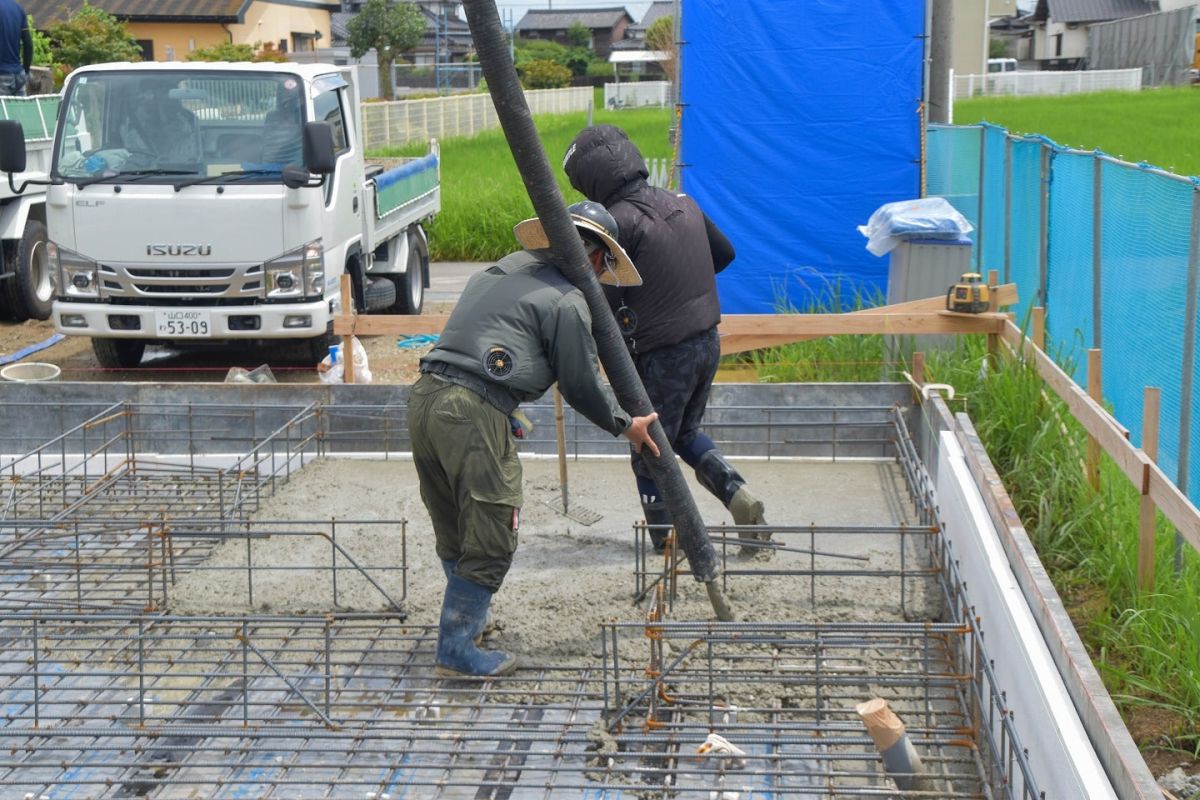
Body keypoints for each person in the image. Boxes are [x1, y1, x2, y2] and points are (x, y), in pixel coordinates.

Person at [409, 201, 660, 678]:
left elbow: (475, 350)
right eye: (605, 265)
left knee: (455, 524)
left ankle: (469, 624)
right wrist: (626, 424)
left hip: (425, 398)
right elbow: (581, 383)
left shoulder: (500, 271)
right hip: (471, 412)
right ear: (595, 256)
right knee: (492, 529)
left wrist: (507, 407)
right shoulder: (568, 301)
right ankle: (457, 649)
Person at [562, 124, 772, 556]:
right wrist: (681, 283)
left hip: (660, 353)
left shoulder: (617, 223)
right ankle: (737, 494)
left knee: (648, 447)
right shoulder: (683, 202)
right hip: (707, 341)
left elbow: (604, 294)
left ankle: (666, 540)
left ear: (592, 179)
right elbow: (725, 253)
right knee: (685, 431)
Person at [119, 79, 201, 164]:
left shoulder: (187, 123)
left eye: (167, 93)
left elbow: (193, 161)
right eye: (148, 95)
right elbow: (129, 162)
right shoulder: (133, 130)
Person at [0, 0, 32, 97]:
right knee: (21, 111)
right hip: (19, 75)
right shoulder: (18, 9)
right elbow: (28, 44)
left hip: (2, 75)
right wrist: (25, 70)